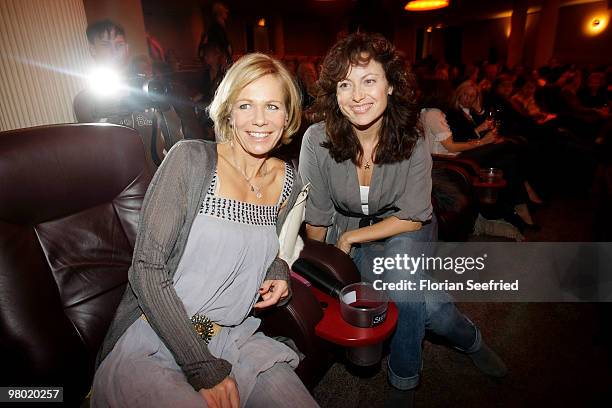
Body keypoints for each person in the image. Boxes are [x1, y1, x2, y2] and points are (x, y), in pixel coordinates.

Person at [92, 53, 318, 408]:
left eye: (272, 106)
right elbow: (146, 269)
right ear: (228, 111)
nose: (259, 120)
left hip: (232, 339)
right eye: (246, 105)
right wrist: (202, 367)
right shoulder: (189, 160)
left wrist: (278, 272)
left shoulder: (288, 180)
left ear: (288, 115)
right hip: (157, 339)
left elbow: (266, 246)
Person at [299, 32, 506, 407]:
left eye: (369, 80)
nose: (358, 95)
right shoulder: (316, 139)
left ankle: (404, 380)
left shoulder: (411, 137)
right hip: (352, 230)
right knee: (433, 310)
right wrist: (328, 260)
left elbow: (412, 216)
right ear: (335, 91)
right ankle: (470, 337)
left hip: (408, 226)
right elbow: (317, 215)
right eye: (346, 84)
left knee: (400, 277)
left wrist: (350, 242)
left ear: (391, 85)